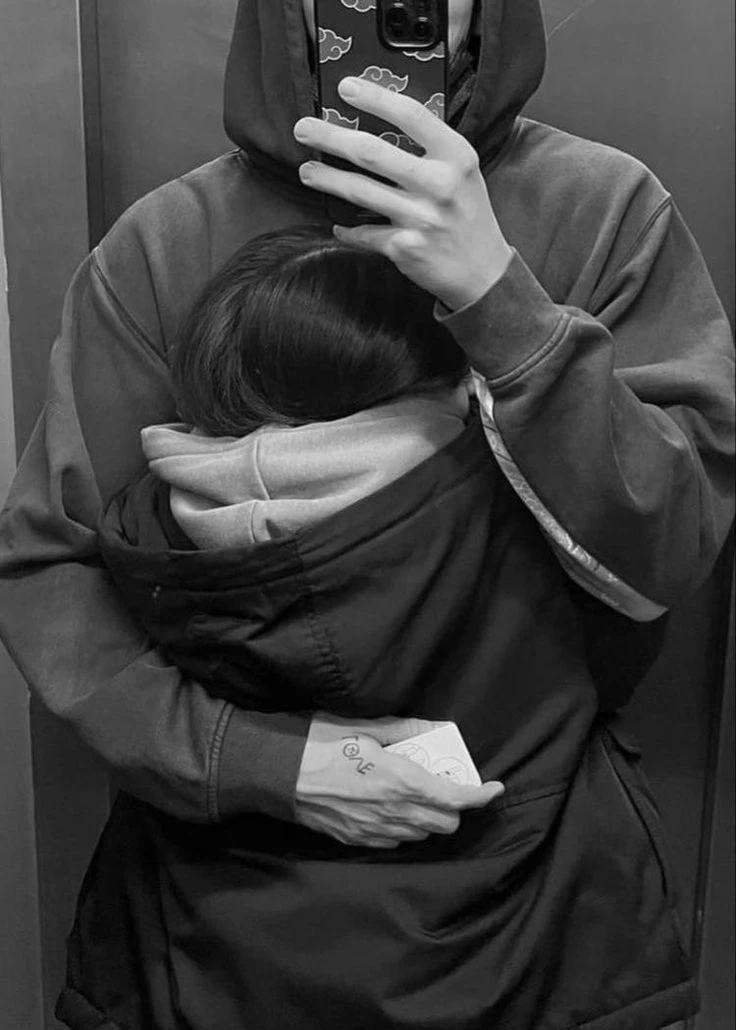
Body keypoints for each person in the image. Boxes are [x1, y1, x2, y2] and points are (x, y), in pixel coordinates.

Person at [0, 0, 732, 1026]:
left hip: (541, 910)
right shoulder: (166, 243)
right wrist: (262, 762)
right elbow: (52, 569)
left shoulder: (602, 208)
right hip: (214, 918)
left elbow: (673, 542)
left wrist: (500, 299)